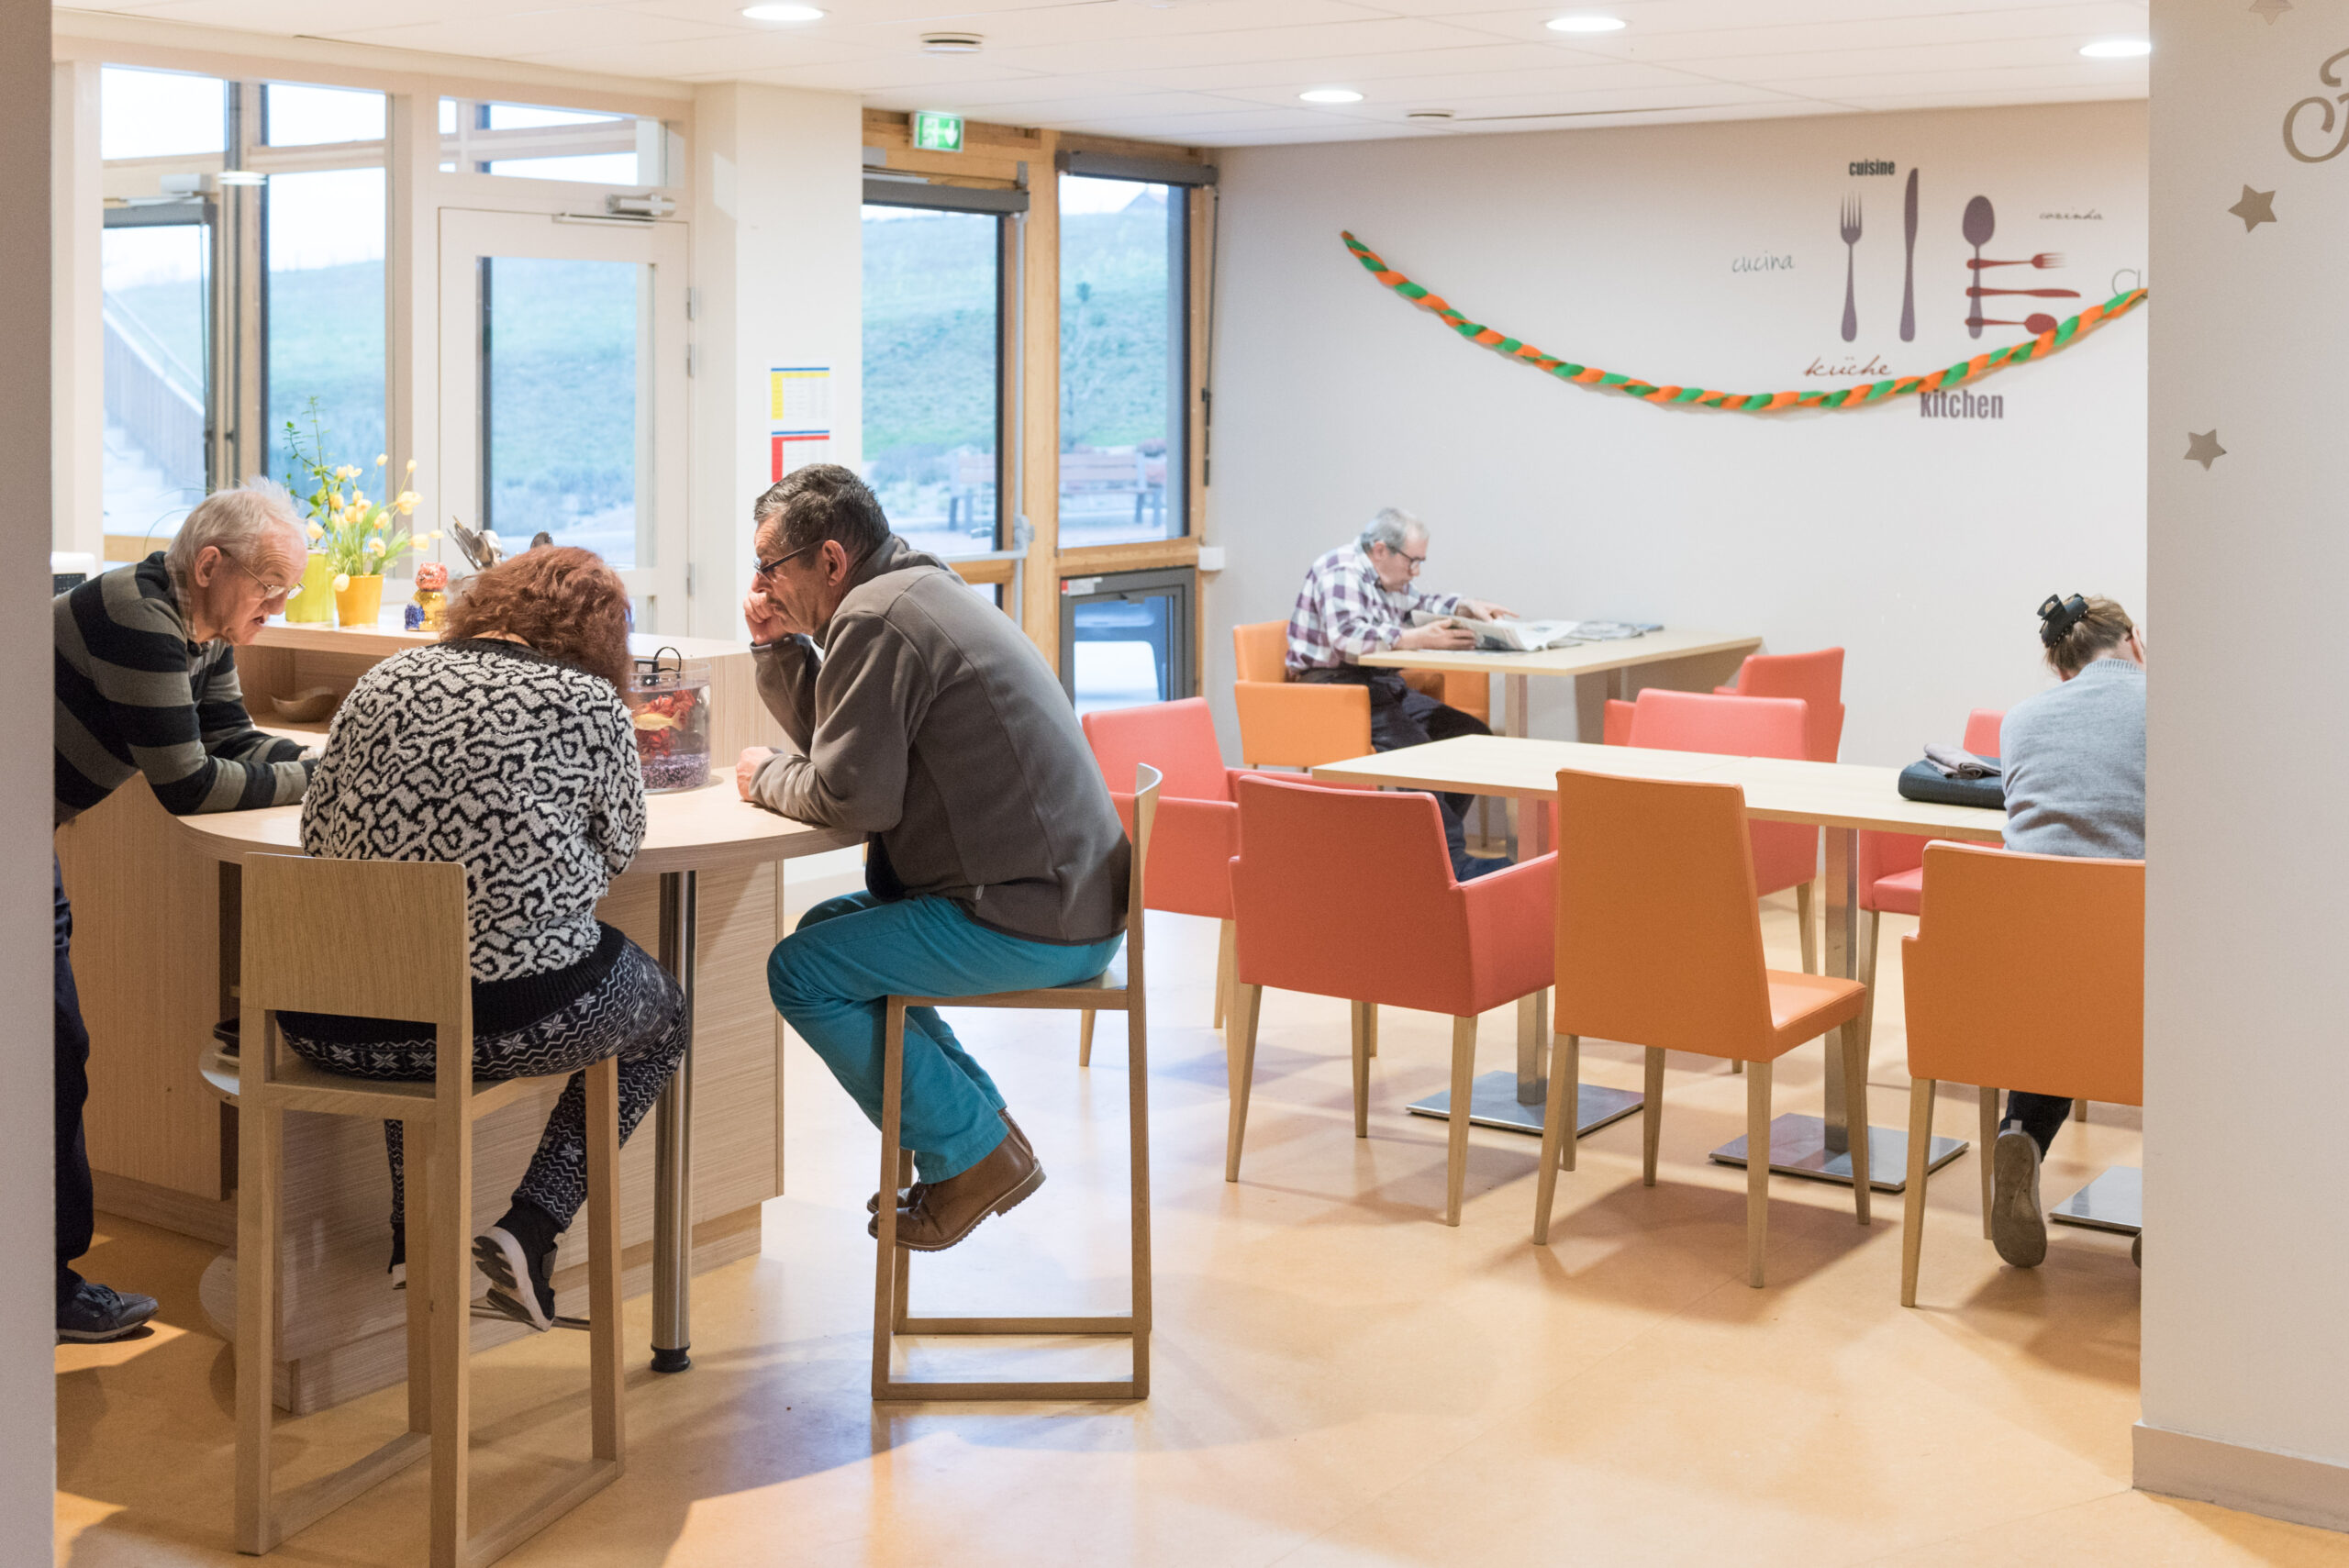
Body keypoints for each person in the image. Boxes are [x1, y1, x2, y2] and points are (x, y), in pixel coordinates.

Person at [283, 547, 687, 1331]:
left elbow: (316, 835)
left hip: (325, 1021)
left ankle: (417, 1238)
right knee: (664, 1015)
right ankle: (531, 1228)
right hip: (507, 1021)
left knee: (411, 968)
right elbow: (621, 848)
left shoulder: (382, 679)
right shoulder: (588, 703)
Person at [735, 464, 1129, 1252]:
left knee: (801, 971)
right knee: (823, 932)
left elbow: (853, 798)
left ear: (831, 560)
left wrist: (763, 775)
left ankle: (972, 1153)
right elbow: (852, 753)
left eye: (770, 566)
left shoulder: (876, 617)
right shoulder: (911, 590)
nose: (760, 584)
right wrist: (776, 647)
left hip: (1033, 916)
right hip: (1065, 899)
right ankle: (984, 1138)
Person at [53, 480, 319, 1341]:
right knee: (51, 1051)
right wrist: (323, 776)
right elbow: (192, 785)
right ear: (210, 565)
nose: (277, 609)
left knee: (52, 1048)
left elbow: (231, 739)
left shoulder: (197, 628)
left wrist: (334, 757)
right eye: (270, 588)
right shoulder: (137, 617)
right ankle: (47, 1289)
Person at [1987, 592, 2147, 1272]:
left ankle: (2022, 1131)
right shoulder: (2174, 708)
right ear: (2133, 642)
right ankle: (2178, 1199)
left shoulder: (2021, 720)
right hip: (2142, 971)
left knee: (2062, 981)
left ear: (2062, 668)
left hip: (2034, 976)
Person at [1286, 506, 1518, 880]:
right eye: (1413, 562)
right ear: (1381, 550)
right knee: (1418, 753)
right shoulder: (1340, 571)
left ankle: (1425, 849)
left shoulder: (1387, 579)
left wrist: (1465, 606)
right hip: (1331, 685)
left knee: (1469, 736)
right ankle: (1452, 861)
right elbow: (1347, 638)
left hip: (1376, 683)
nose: (1416, 572)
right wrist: (1415, 639)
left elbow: (1419, 606)